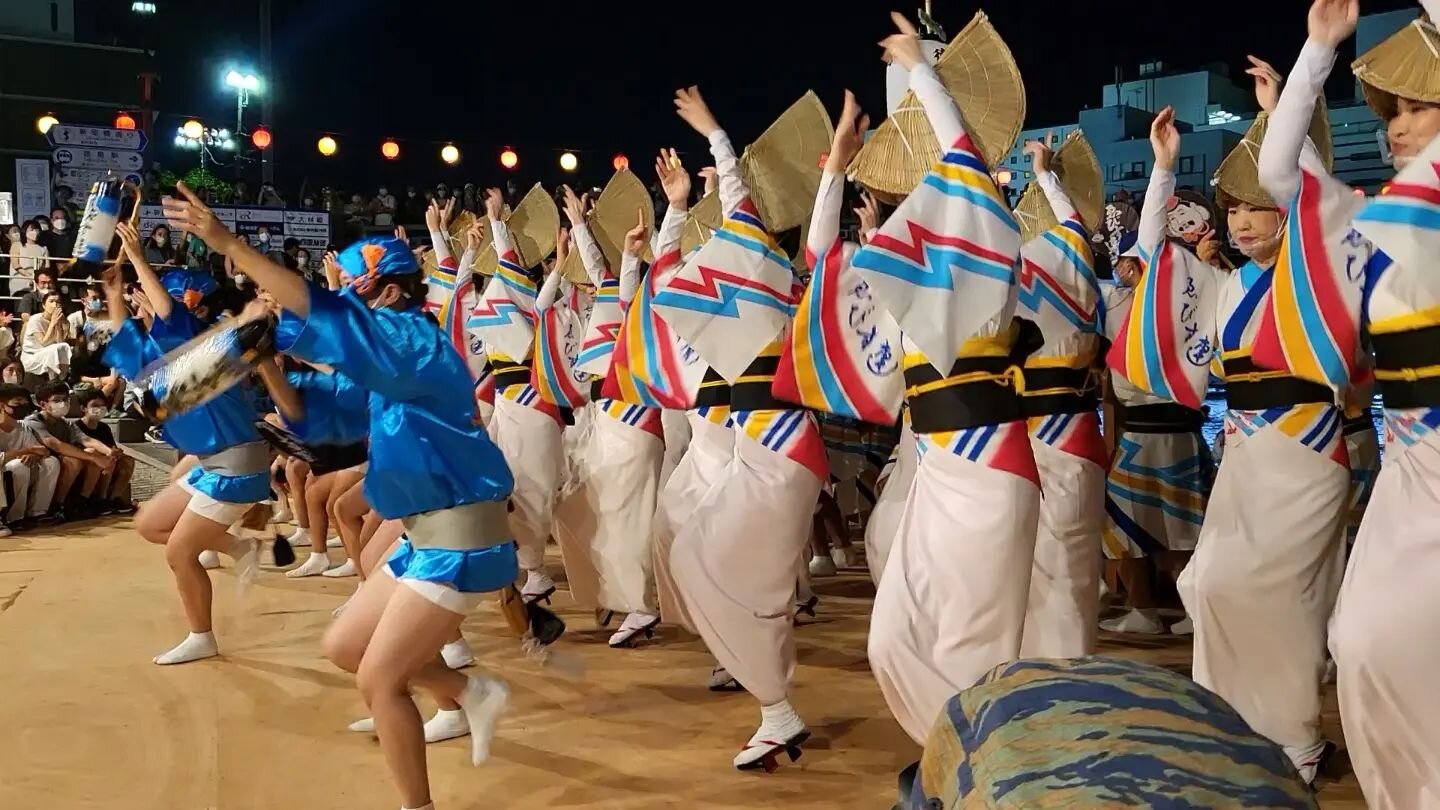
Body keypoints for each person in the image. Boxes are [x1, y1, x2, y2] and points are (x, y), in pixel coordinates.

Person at [163, 181, 529, 810]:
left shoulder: (416, 343)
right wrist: (263, 358)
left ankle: (420, 803)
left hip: (461, 537)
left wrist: (225, 241)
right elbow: (310, 413)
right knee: (344, 648)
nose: (345, 309)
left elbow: (331, 322)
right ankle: (471, 695)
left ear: (391, 292)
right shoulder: (391, 359)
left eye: (358, 294)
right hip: (423, 535)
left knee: (379, 679)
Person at [1258, 0, 1440, 802]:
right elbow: (1277, 175)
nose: (1397, 125)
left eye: (1418, 104)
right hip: (1407, 466)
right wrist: (1317, 52)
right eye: (1392, 110)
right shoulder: (1371, 221)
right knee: (1363, 642)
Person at [665, 85, 827, 770]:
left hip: (783, 451)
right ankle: (774, 706)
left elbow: (742, 213)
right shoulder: (761, 289)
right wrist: (676, 209)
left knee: (721, 572)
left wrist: (718, 138)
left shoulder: (780, 283)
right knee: (705, 565)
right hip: (761, 451)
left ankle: (778, 709)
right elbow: (666, 277)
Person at [105, 221, 270, 666]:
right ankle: (240, 546)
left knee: (180, 553)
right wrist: (116, 294)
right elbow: (125, 342)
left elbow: (165, 312)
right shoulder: (163, 355)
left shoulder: (210, 348)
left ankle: (202, 636)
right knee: (149, 525)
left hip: (236, 464)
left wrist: (139, 257)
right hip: (212, 461)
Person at [1099, 232, 1212, 636]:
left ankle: (1169, 611)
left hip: (1154, 431)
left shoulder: (1125, 303)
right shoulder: (1178, 300)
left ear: (1130, 265)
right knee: (1165, 527)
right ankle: (1161, 612)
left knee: (1173, 528)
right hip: (1168, 430)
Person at [24, 381, 115, 520]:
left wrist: (109, 452)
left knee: (93, 452)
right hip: (41, 461)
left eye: (65, 400)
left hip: (59, 463)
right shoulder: (33, 421)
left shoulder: (66, 423)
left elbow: (87, 440)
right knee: (77, 460)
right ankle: (57, 506)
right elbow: (56, 444)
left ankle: (83, 501)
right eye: (57, 400)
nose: (63, 404)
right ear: (43, 404)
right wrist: (95, 458)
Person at [0, 384, 60, 532]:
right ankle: (14, 517)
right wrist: (26, 451)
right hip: (5, 473)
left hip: (21, 470)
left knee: (51, 462)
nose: (22, 406)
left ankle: (38, 513)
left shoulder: (23, 427)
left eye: (25, 403)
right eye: (17, 403)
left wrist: (34, 453)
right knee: (19, 465)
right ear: (2, 405)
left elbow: (41, 451)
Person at [71, 386, 135, 513]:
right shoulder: (75, 427)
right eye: (95, 405)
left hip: (105, 464)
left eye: (102, 405)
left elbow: (112, 448)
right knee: (96, 455)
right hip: (86, 466)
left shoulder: (104, 428)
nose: (99, 409)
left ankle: (113, 498)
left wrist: (116, 453)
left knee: (127, 461)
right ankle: (93, 499)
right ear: (83, 408)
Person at [21, 288, 73, 381]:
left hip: (48, 353)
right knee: (52, 350)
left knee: (64, 346)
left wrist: (58, 325)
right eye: (51, 301)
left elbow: (60, 342)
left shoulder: (63, 320)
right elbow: (44, 343)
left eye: (57, 302)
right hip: (32, 356)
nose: (55, 305)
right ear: (44, 305)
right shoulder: (35, 319)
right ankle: (52, 381)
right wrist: (52, 323)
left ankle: (62, 379)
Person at [7, 220, 49, 291]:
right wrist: (30, 276)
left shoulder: (44, 248)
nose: (35, 232)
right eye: (31, 230)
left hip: (38, 283)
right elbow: (15, 265)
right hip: (20, 283)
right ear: (24, 231)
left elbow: (47, 266)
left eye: (37, 230)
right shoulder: (17, 245)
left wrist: (39, 277)